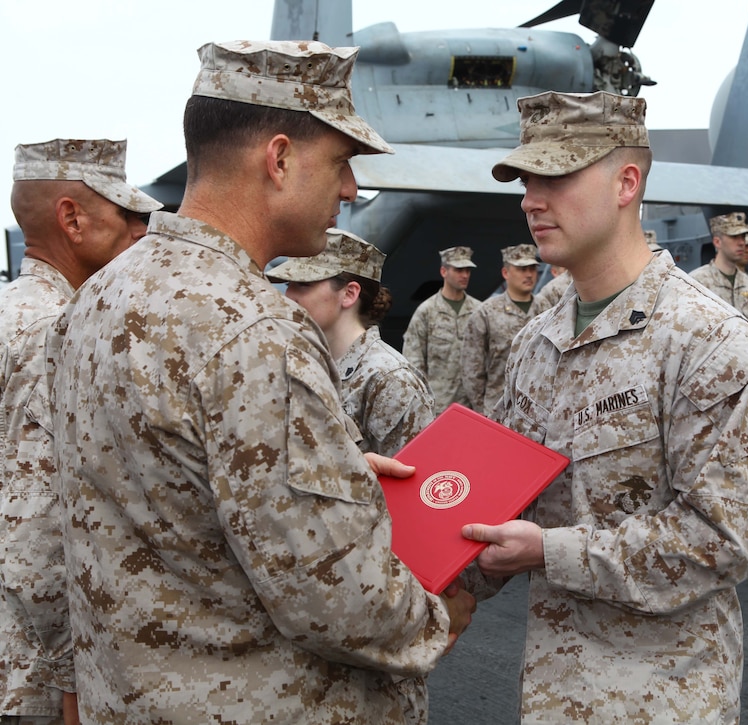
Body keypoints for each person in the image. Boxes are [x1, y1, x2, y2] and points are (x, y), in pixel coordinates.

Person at [47, 40, 475, 722]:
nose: (351, 190)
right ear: (278, 159)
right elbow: (338, 598)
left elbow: (161, 491)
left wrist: (333, 472)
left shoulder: (95, 300)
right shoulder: (256, 329)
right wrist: (441, 612)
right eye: (340, 163)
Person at [461, 90, 748, 722]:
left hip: (660, 697)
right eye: (526, 180)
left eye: (554, 176)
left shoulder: (708, 340)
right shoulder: (536, 340)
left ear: (626, 181)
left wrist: (549, 552)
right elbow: (503, 498)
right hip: (552, 690)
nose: (530, 200)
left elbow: (720, 540)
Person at [0, 138, 161, 724]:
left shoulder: (9, 311)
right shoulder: (58, 332)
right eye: (128, 216)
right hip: (29, 675)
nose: (142, 233)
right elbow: (39, 525)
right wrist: (70, 680)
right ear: (72, 218)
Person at [267, 228, 436, 457]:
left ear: (349, 294)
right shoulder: (306, 364)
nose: (289, 296)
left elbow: (414, 476)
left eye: (304, 284)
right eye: (289, 284)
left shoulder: (391, 380)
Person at [460, 243, 543, 414]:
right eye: (522, 269)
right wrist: (483, 411)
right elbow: (472, 368)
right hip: (498, 409)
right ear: (505, 273)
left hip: (537, 411)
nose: (529, 274)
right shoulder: (486, 312)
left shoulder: (547, 309)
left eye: (532, 268)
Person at [402, 246, 481, 409]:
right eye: (459, 270)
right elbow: (413, 360)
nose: (465, 275)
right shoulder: (427, 311)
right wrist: (422, 402)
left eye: (468, 270)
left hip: (473, 406)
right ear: (444, 271)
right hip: (439, 406)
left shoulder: (479, 311)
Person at [688, 212, 748, 325]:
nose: (741, 243)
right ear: (717, 242)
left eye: (743, 237)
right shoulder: (697, 283)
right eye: (734, 237)